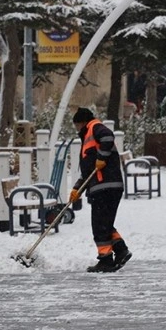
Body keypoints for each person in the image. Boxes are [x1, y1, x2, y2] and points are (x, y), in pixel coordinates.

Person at [69, 107, 132, 272]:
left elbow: (108, 137)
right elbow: (89, 172)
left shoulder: (94, 127)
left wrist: (102, 157)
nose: (76, 129)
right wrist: (77, 190)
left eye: (76, 126)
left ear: (82, 122)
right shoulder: (88, 137)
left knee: (99, 225)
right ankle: (121, 250)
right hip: (103, 186)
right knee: (104, 223)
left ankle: (105, 259)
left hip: (106, 186)